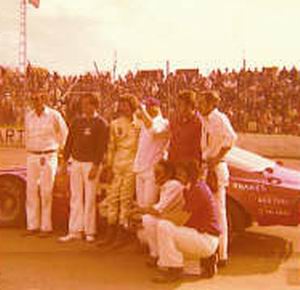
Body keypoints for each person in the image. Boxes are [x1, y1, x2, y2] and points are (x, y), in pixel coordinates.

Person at [150, 160, 221, 283]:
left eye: (182, 174)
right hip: (205, 238)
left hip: (206, 239)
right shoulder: (192, 187)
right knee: (167, 229)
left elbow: (181, 219)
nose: (178, 176)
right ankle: (206, 263)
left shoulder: (197, 190)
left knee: (164, 226)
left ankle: (174, 270)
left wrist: (161, 216)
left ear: (190, 174)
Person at [59, 93, 108, 242]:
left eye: (87, 104)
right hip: (76, 162)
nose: (83, 106)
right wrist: (64, 162)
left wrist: (96, 165)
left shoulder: (101, 123)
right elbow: (69, 143)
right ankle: (75, 230)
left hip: (91, 164)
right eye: (82, 104)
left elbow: (102, 147)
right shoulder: (76, 122)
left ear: (94, 105)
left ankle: (89, 231)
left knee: (90, 197)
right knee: (75, 197)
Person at [198, 90, 237, 267]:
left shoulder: (219, 118)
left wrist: (217, 157)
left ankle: (222, 254)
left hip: (216, 168)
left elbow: (231, 139)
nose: (200, 105)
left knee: (219, 213)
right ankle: (210, 251)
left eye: (203, 102)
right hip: (206, 167)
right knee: (207, 212)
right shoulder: (203, 119)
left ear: (212, 104)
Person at [97, 94, 140, 247]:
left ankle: (123, 231)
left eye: (126, 105)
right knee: (113, 197)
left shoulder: (139, 124)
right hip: (117, 164)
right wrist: (108, 166)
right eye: (121, 104)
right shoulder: (115, 124)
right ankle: (110, 231)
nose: (122, 108)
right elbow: (111, 146)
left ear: (132, 106)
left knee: (126, 199)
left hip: (132, 165)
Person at [24, 90, 68, 237]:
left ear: (44, 100)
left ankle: (46, 227)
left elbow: (64, 134)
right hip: (32, 155)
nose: (35, 101)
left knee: (46, 191)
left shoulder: (54, 115)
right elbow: (27, 135)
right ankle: (32, 225)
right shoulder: (28, 116)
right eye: (33, 99)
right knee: (31, 191)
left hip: (48, 155)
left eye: (38, 99)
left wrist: (62, 154)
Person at [133, 97, 169, 208]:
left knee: (149, 205)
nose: (146, 109)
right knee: (140, 205)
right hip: (140, 168)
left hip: (152, 170)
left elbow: (154, 130)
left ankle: (149, 225)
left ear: (156, 108)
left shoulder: (163, 122)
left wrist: (143, 110)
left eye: (149, 106)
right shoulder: (145, 121)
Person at [168, 90, 202, 166]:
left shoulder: (200, 123)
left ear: (190, 106)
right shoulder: (174, 118)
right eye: (178, 104)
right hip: (173, 164)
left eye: (181, 105)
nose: (178, 107)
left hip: (189, 168)